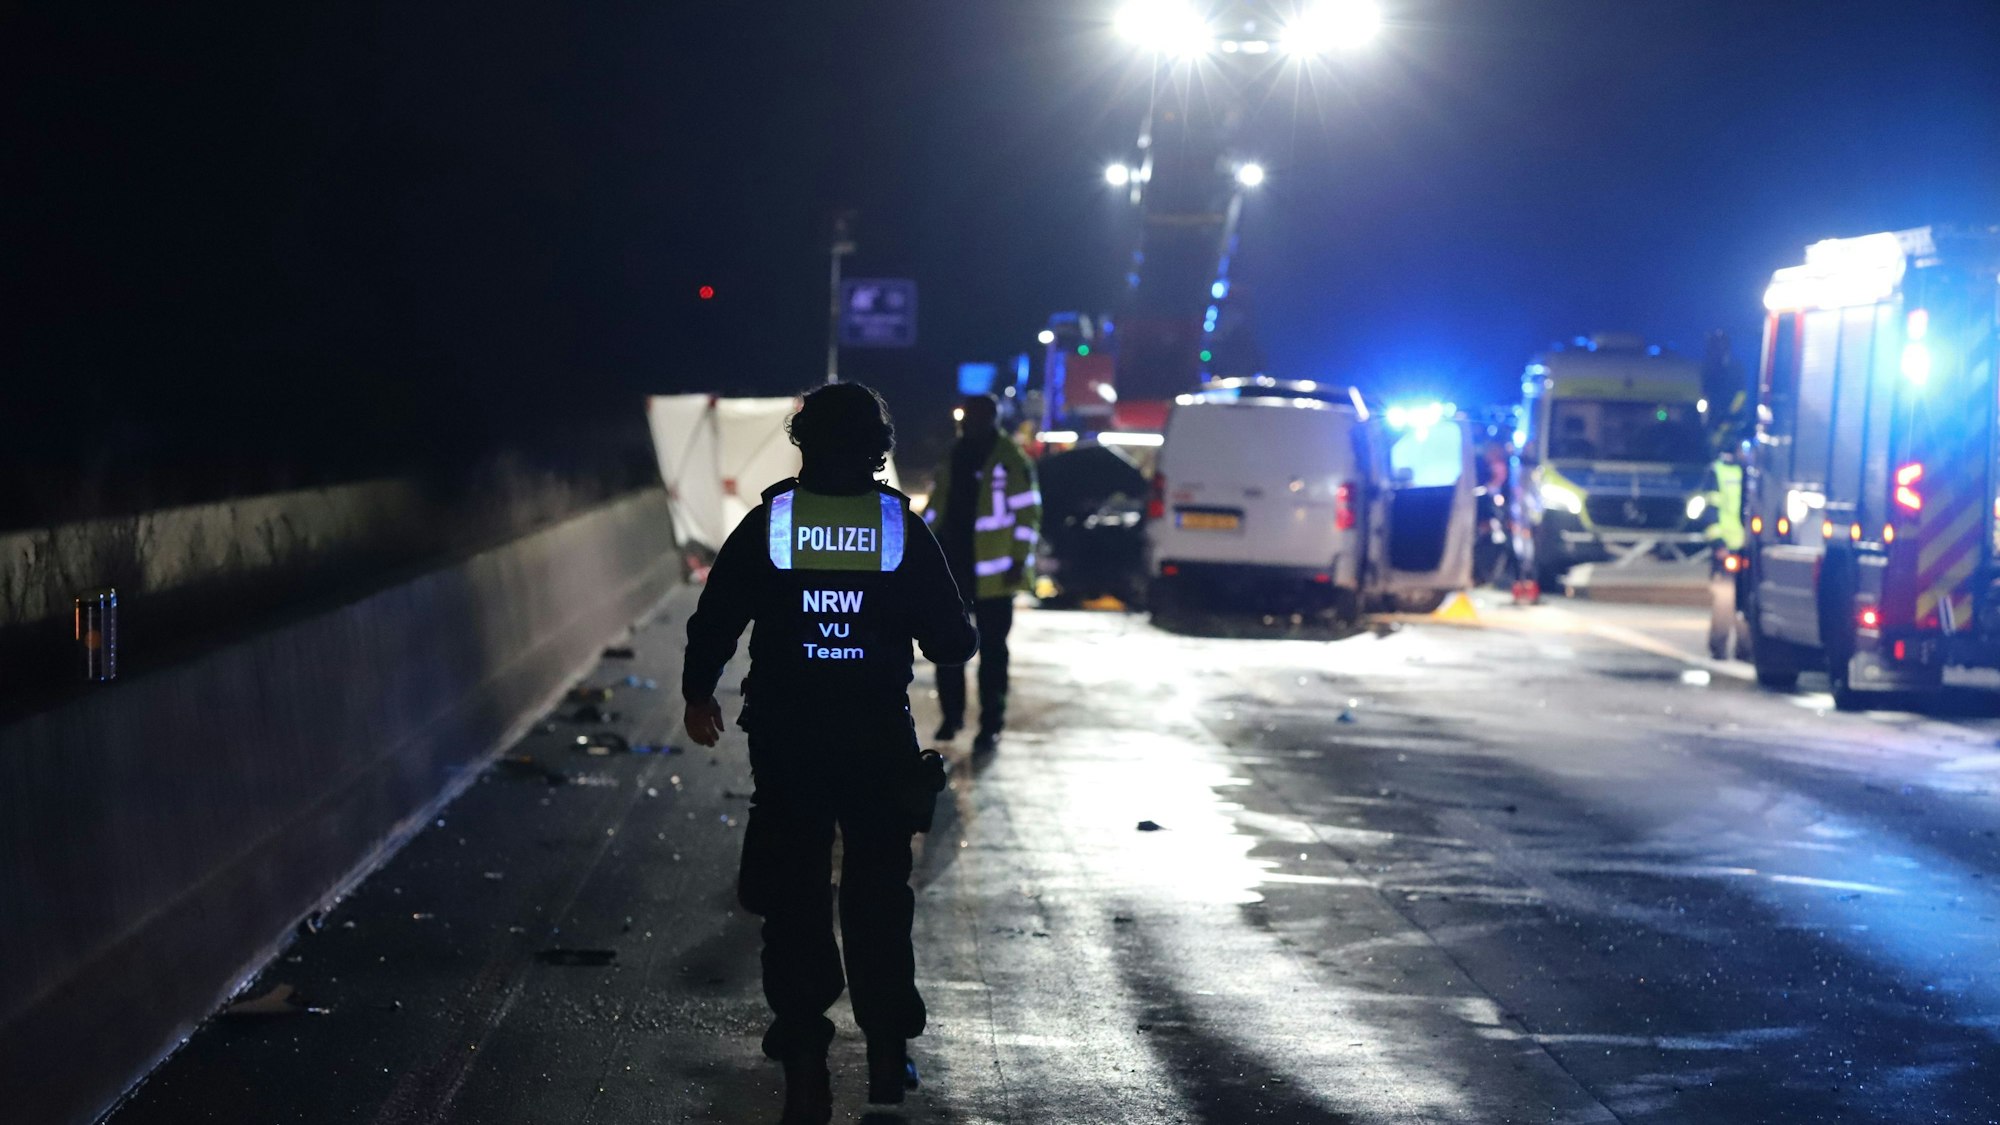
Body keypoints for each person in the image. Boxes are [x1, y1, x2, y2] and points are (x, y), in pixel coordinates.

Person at [681, 382, 977, 1125]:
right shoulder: (899, 530)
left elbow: (715, 615)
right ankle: (883, 1050)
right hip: (876, 737)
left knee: (795, 897)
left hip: (788, 738)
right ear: (879, 450)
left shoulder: (770, 523)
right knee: (879, 894)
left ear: (802, 442)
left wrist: (698, 692)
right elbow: (952, 641)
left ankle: (806, 1061)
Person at [923, 393, 1040, 754]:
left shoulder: (1009, 458)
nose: (967, 424)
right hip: (953, 569)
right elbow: (936, 507)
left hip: (994, 577)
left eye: (973, 418)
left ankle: (991, 725)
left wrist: (1018, 560)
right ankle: (952, 715)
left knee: (993, 654)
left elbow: (1027, 515)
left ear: (990, 419)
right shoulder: (953, 455)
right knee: (948, 647)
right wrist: (919, 544)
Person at [1698, 447, 1746, 659]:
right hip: (1726, 547)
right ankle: (1719, 646)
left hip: (1746, 547)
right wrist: (1718, 544)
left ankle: (1745, 650)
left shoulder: (1749, 471)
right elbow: (1710, 512)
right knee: (1725, 601)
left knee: (1745, 600)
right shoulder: (1717, 472)